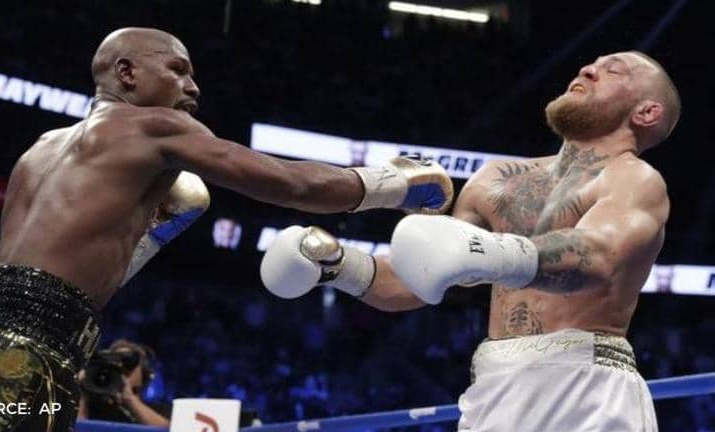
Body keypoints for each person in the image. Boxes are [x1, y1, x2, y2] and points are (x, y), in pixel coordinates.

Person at [0, 27, 453, 432]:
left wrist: (149, 237)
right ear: (127, 72)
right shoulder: (154, 126)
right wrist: (394, 184)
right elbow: (289, 183)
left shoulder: (41, 147)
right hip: (26, 356)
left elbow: (45, 272)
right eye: (178, 70)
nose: (193, 87)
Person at [261, 51, 680, 431]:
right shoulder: (496, 180)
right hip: (493, 389)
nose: (588, 69)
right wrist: (337, 264)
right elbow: (418, 280)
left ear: (646, 112)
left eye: (612, 71)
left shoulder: (635, 180)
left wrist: (488, 251)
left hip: (585, 388)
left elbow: (598, 256)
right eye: (591, 63)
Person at [77, 340, 169, 427]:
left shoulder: (159, 410)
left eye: (129, 364)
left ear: (144, 373)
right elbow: (76, 427)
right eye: (116, 364)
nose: (121, 369)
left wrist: (129, 398)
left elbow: (169, 429)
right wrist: (82, 391)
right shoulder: (93, 407)